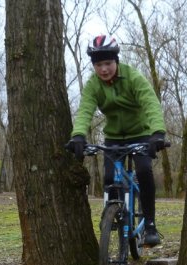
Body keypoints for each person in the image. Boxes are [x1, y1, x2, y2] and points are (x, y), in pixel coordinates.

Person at [66, 34, 167, 246]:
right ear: (94, 66)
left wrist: (157, 132)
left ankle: (150, 224)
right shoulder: (94, 84)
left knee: (144, 171)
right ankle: (113, 212)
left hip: (141, 133)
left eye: (108, 63)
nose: (104, 69)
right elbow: (85, 110)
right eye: (99, 64)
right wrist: (78, 136)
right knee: (110, 177)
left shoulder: (132, 77)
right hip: (113, 137)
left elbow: (150, 102)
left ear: (116, 61)